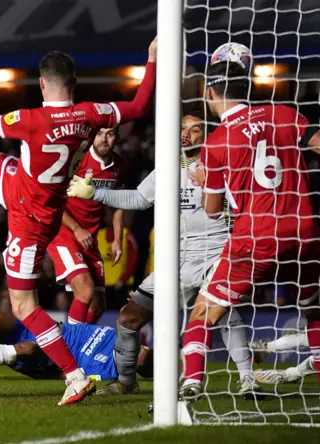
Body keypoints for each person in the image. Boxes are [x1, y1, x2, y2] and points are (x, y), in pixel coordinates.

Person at [0, 38, 157, 405]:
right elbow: (138, 104)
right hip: (50, 208)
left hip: (27, 218)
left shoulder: (29, 119)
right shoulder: (90, 114)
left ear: (42, 83)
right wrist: (151, 61)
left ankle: (73, 375)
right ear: (73, 82)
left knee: (24, 306)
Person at [67, 112, 260, 397]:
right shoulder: (168, 168)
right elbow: (138, 198)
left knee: (224, 314)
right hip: (176, 260)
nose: (187, 134)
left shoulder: (223, 162)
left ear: (206, 134)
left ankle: (248, 379)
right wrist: (94, 192)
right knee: (128, 319)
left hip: (218, 253)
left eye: (195, 130)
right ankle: (126, 381)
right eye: (183, 128)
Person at [179, 61, 320, 400]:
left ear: (209, 92)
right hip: (302, 229)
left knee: (202, 312)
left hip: (254, 235)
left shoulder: (216, 143)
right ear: (249, 88)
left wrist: (204, 183)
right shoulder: (285, 113)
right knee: (315, 308)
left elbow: (213, 212)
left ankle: (191, 385)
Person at [0, 311, 153, 383]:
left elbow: (66, 375)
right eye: (145, 348)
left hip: (45, 352)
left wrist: (37, 372)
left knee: (28, 350)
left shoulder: (110, 371)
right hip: (47, 326)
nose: (141, 348)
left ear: (136, 366)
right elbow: (129, 315)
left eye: (142, 354)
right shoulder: (125, 336)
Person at [46, 127, 126, 325]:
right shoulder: (76, 160)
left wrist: (117, 240)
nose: (104, 139)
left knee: (98, 304)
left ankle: (77, 343)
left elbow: (118, 203)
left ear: (117, 137)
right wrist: (76, 228)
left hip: (89, 236)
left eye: (110, 134)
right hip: (63, 231)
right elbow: (53, 200)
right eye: (100, 134)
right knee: (85, 289)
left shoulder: (119, 166)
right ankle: (71, 345)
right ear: (92, 136)